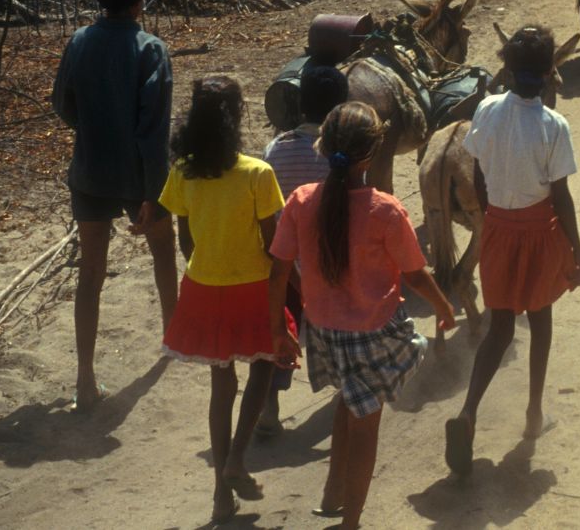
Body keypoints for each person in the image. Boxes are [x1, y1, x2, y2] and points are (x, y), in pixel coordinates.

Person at [269, 102, 455, 529]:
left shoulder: (301, 201)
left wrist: (280, 330)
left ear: (323, 146)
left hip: (323, 333)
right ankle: (350, 522)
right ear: (371, 156)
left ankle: (334, 493)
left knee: (347, 400)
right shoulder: (386, 210)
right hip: (372, 334)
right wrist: (444, 307)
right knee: (367, 423)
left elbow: (278, 268)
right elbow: (415, 275)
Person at [444, 26, 580, 476]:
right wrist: (577, 251)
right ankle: (533, 413)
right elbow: (560, 196)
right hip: (539, 230)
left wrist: (491, 218)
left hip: (498, 230)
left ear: (506, 67)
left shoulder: (486, 109)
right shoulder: (553, 125)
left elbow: (480, 172)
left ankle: (468, 412)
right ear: (549, 72)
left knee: (499, 326)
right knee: (541, 319)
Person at [50, 0, 178, 410]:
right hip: (137, 176)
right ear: (140, 1)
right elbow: (154, 129)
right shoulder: (150, 49)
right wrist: (153, 193)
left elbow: (63, 105)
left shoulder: (80, 41)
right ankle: (172, 339)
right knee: (163, 249)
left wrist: (94, 127)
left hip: (88, 172)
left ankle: (85, 380)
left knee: (91, 273)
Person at [159, 76, 288, 525]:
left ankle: (219, 494)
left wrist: (209, 268)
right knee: (265, 365)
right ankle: (236, 459)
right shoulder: (257, 173)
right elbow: (275, 246)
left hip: (202, 288)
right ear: (238, 117)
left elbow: (185, 239)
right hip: (250, 286)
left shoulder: (182, 171)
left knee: (221, 384)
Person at [258, 65, 350, 436]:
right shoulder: (340, 156)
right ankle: (347, 387)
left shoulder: (274, 149)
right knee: (342, 326)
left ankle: (269, 406)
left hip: (284, 265)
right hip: (329, 264)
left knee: (284, 330)